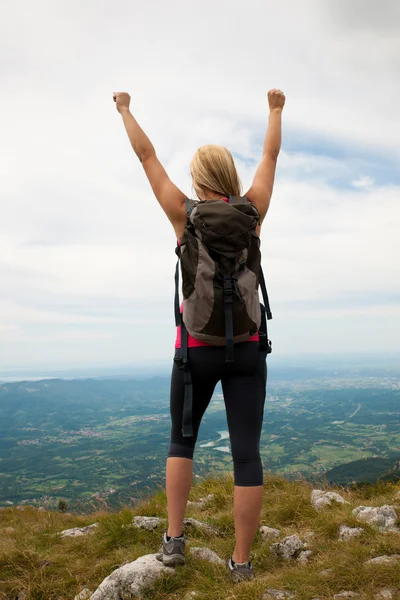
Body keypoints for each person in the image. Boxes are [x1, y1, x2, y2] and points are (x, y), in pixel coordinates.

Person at [113, 88, 285, 582]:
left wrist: (126, 109)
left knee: (181, 441)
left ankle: (173, 543)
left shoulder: (182, 214)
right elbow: (271, 154)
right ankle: (243, 564)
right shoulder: (254, 211)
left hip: (194, 353)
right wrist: (274, 111)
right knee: (247, 454)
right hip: (249, 351)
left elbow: (145, 155)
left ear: (198, 180)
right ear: (230, 177)